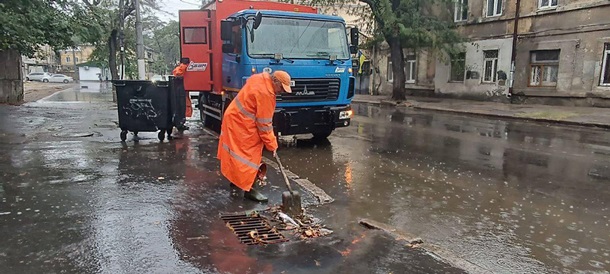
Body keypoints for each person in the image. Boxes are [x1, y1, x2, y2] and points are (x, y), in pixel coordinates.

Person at [217, 71, 292, 202]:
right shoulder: (266, 94)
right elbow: (264, 125)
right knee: (248, 157)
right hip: (242, 124)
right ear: (275, 81)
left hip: (234, 118)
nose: (282, 92)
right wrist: (272, 144)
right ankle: (249, 189)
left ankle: (236, 181)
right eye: (281, 88)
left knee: (236, 154)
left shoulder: (259, 79)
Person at [172, 58, 193, 132]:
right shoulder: (182, 67)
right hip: (180, 91)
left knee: (180, 107)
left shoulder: (180, 68)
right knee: (181, 107)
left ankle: (180, 123)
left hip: (180, 90)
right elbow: (178, 74)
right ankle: (179, 123)